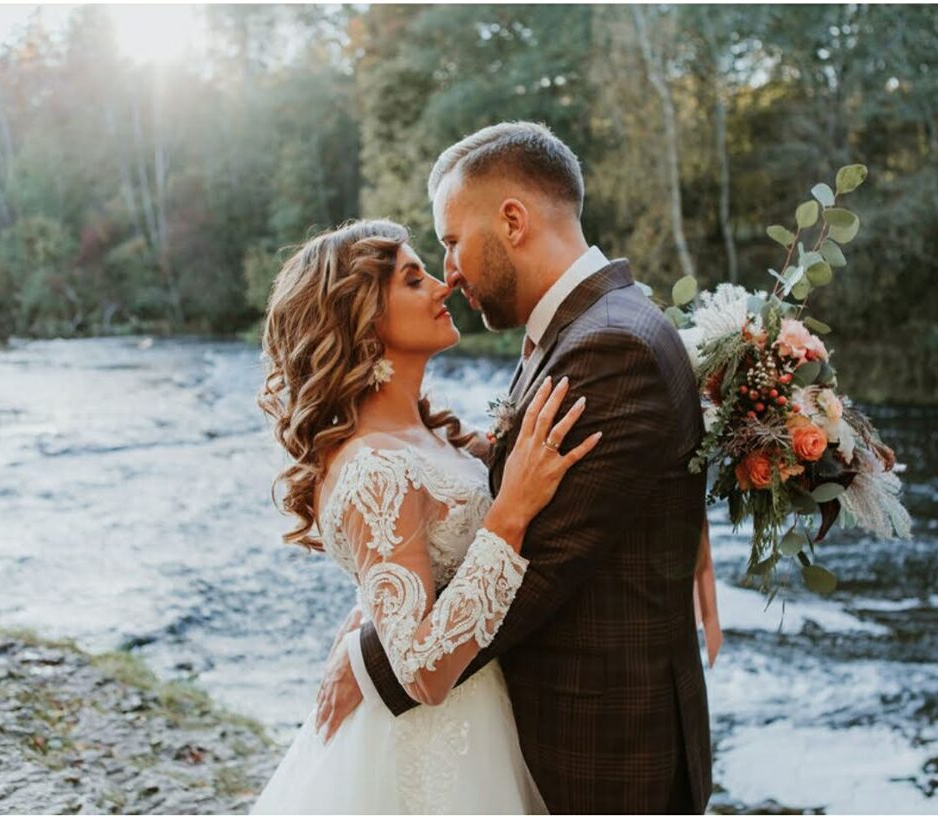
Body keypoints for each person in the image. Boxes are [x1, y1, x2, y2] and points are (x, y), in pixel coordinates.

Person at [316, 122, 720, 814]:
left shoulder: (607, 346)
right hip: (561, 740)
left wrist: (371, 658)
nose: (451, 273)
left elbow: (535, 564)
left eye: (449, 241)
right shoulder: (576, 331)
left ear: (512, 220)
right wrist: (379, 605)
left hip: (604, 756)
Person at [251, 218, 602, 813]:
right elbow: (421, 672)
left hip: (487, 715)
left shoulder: (426, 436)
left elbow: (403, 573)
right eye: (415, 280)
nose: (443, 286)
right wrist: (509, 514)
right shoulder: (373, 468)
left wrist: (358, 638)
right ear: (362, 321)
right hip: (438, 746)